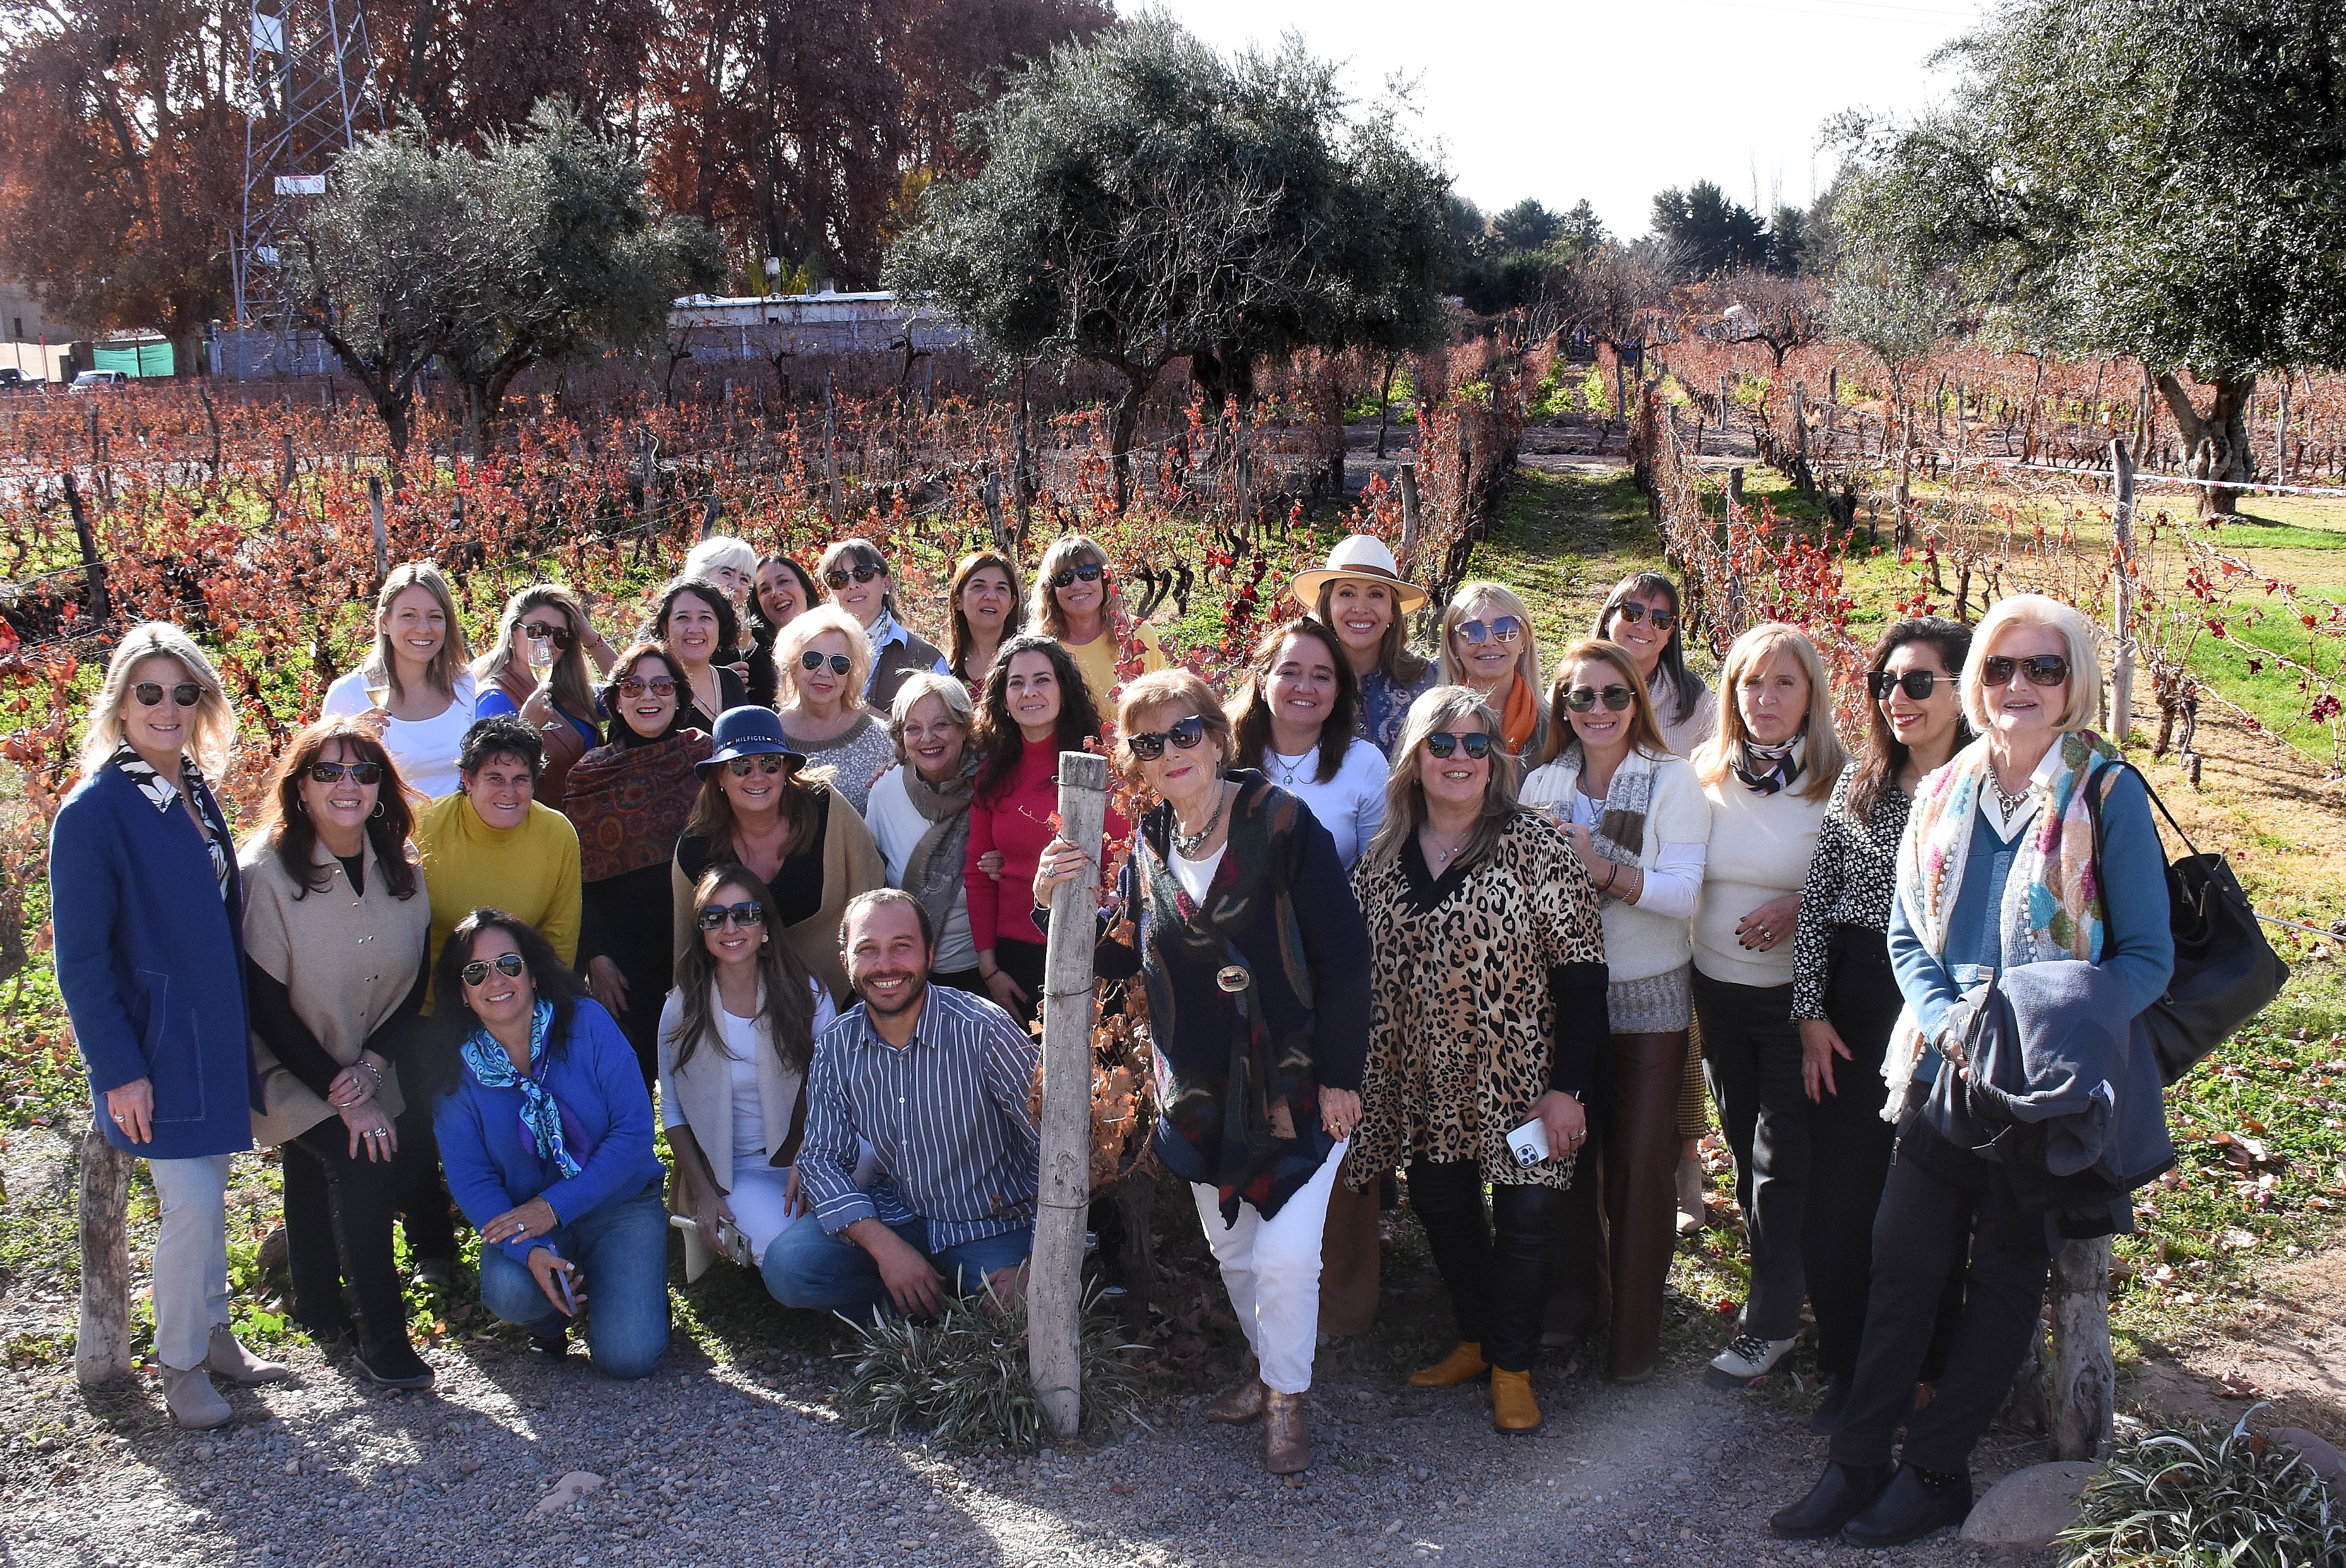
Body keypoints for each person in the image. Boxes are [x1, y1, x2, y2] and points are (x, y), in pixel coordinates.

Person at [1775, 595, 2174, 1547]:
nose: (2019, 686)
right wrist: (1950, 1017)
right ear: (1976, 683)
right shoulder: (1947, 789)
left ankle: (1938, 1469)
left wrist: (2053, 1032)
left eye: (2043, 668)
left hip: (2047, 1077)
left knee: (2003, 1274)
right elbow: (1910, 931)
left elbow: (2147, 961)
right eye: (2000, 667)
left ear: (2073, 680)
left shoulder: (2105, 793)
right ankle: (1858, 1458)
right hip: (1949, 1061)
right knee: (1902, 1262)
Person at [1037, 671, 1371, 1473]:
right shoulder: (1151, 844)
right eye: (1149, 743)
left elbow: (1346, 958)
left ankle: (1286, 1400)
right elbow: (1125, 954)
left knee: (1287, 1253)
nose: (1171, 752)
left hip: (1295, 1086)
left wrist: (1339, 1077)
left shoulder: (1283, 824)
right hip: (1196, 1089)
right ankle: (1269, 1374)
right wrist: (1058, 902)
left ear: (1218, 737)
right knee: (1233, 1253)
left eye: (1185, 733)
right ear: (1137, 763)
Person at [1346, 687, 1609, 1434]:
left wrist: (1568, 1089)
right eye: (1441, 744)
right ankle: (1474, 1339)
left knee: (1527, 1215)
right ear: (1415, 758)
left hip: (1521, 1080)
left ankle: (1513, 1366)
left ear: (1496, 759)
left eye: (1474, 745)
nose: (1458, 758)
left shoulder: (1536, 843)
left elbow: (1582, 975)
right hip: (1423, 1080)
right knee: (1443, 1209)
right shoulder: (1382, 858)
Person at [51, 624, 288, 1429]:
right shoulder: (92, 811)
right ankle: (181, 1365)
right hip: (153, 1045)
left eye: (183, 693)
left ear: (201, 704)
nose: (166, 706)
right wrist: (117, 1069)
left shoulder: (190, 787)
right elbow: (80, 962)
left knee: (212, 1193)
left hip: (215, 1033)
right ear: (120, 702)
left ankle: (216, 1334)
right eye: (148, 691)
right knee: (189, 1204)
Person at [1787, 617, 1972, 1434]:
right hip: (1858, 1006)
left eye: (1919, 682)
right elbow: (1819, 907)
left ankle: (1928, 1368)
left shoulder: (1988, 788)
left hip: (1950, 1007)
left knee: (1928, 1205)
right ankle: (1847, 1365)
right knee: (1839, 1202)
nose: (1899, 698)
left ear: (1964, 690)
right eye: (1885, 684)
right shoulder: (1861, 786)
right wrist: (1811, 1016)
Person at [1521, 639, 1711, 1383]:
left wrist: (1600, 867)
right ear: (1562, 710)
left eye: (1613, 695)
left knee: (1637, 1168)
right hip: (1558, 1003)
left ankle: (1633, 1338)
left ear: (1636, 700)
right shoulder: (1540, 784)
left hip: (1646, 997)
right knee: (1563, 1163)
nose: (1597, 710)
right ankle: (1573, 1311)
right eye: (1580, 698)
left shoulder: (1671, 782)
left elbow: (1682, 894)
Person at [241, 718, 434, 1388]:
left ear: (382, 788)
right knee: (362, 1158)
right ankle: (382, 1337)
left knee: (330, 1155)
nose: (347, 784)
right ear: (299, 788)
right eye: (328, 772)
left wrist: (372, 1069)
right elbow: (265, 1006)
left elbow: (413, 989)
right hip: (287, 1064)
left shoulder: (403, 868)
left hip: (366, 1056)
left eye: (364, 771)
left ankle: (319, 1304)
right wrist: (343, 1093)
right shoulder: (264, 874)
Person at [1689, 623, 1848, 1388]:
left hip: (1798, 1002)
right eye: (1751, 683)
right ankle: (1787, 1287)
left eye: (1783, 683)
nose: (1765, 699)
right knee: (1744, 1147)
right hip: (1717, 995)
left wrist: (1797, 901)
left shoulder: (1839, 780)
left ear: (1810, 693)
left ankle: (1773, 1325)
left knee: (1780, 1158)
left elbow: (1864, 884)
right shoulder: (1705, 775)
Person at [763, 890, 1041, 1319]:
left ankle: (930, 1310)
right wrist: (884, 1246)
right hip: (902, 1214)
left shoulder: (984, 1031)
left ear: (929, 954)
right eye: (867, 950)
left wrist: (1039, 1265)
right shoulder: (838, 1045)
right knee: (789, 1268)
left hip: (993, 1224)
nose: (886, 965)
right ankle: (923, 1301)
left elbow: (1056, 1145)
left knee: (1022, 1304)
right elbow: (820, 1160)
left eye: (901, 947)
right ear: (846, 962)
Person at [420, 910, 669, 1378]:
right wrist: (527, 1250)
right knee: (510, 1291)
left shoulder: (589, 1023)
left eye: (508, 964)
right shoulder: (454, 1074)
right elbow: (473, 1181)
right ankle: (554, 1318)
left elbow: (634, 1133)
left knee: (630, 1357)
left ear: (533, 973)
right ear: (463, 993)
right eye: (476, 972)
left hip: (620, 1207)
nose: (495, 979)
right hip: (530, 1223)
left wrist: (554, 1207)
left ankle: (624, 1287)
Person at [405, 715, 583, 1285]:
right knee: (424, 1120)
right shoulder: (427, 830)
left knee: (519, 1118)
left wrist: (528, 1012)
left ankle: (546, 1222)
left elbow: (558, 936)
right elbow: (404, 925)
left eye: (521, 778)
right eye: (494, 777)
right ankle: (432, 1246)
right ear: (465, 779)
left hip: (519, 1001)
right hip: (435, 1002)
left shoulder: (557, 834)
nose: (508, 791)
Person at [1593, 569, 1720, 1232]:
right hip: (1593, 891)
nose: (1643, 625)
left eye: (1659, 617)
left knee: (1679, 1042)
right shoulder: (1582, 680)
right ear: (1608, 614)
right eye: (1631, 610)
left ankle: (1686, 1172)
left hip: (1665, 882)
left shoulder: (1692, 703)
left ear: (1673, 632)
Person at [658, 865, 836, 1286]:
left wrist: (812, 1158)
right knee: (787, 1249)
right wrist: (704, 1194)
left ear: (766, 925)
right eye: (714, 917)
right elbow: (672, 1111)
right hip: (738, 1170)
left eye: (745, 913)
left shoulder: (807, 992)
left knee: (873, 1157)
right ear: (701, 930)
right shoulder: (681, 1009)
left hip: (814, 1151)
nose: (731, 926)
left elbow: (838, 1087)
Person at [566, 643, 712, 1091]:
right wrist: (597, 957)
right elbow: (577, 879)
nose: (648, 696)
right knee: (628, 1081)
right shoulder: (588, 775)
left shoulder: (705, 757)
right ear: (615, 700)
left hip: (701, 944)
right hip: (623, 957)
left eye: (662, 685)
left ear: (679, 696)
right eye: (633, 686)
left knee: (705, 1075)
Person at [671, 706, 885, 1007]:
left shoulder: (824, 808)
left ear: (786, 769)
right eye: (741, 765)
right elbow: (687, 949)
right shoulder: (694, 849)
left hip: (843, 992)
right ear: (719, 775)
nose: (758, 776)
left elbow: (873, 892)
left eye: (770, 763)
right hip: (738, 1007)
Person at [965, 635, 1124, 1030]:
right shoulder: (992, 775)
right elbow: (976, 878)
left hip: (1090, 951)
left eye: (1042, 680)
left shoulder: (1099, 767)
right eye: (1016, 683)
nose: (1029, 692)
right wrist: (989, 969)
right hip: (1014, 960)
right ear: (1002, 698)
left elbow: (1120, 863)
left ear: (1063, 691)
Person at [1225, 617, 1391, 869]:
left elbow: (1376, 876)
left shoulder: (1366, 764)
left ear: (1337, 691)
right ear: (1262, 683)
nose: (1304, 687)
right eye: (1289, 672)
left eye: (1321, 677)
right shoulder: (1224, 756)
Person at [863, 674, 984, 994]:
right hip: (908, 977)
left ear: (964, 727)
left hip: (985, 972)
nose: (927, 738)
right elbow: (873, 884)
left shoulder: (992, 785)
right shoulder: (885, 793)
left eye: (941, 725)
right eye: (913, 728)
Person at [320, 562, 477, 799]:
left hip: (459, 831)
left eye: (435, 617)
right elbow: (323, 782)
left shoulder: (464, 685)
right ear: (385, 622)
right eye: (408, 616)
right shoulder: (349, 694)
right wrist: (352, 742)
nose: (423, 629)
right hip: (388, 832)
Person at [1290, 535, 1436, 756]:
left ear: (1392, 612)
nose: (1360, 608)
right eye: (1347, 593)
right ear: (1328, 606)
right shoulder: (1298, 679)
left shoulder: (1428, 682)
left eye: (1376, 594)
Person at [470, 584, 605, 807]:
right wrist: (527, 729)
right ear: (513, 634)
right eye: (538, 631)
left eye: (561, 636)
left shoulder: (566, 691)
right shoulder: (494, 697)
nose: (550, 642)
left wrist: (590, 637)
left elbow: (629, 689)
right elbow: (490, 778)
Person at [773, 604, 895, 816]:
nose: (825, 672)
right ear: (793, 665)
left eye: (839, 664)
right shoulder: (771, 736)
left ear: (851, 674)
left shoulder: (881, 738)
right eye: (812, 660)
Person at [1028, 533, 1164, 710]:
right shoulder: (1037, 650)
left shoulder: (1139, 635)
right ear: (1051, 590)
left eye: (1088, 573)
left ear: (1105, 579)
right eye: (1064, 578)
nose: (1077, 585)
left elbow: (1165, 704)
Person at [818, 538, 950, 711]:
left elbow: (945, 729)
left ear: (886, 582)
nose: (852, 585)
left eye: (863, 574)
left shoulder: (925, 658)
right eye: (838, 579)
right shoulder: (813, 653)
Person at [1436, 581, 1547, 767]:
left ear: (1523, 640)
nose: (1489, 642)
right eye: (1472, 630)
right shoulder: (1433, 726)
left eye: (1505, 628)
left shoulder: (1554, 728)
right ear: (1453, 645)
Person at [647, 575, 748, 732]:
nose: (694, 629)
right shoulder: (652, 689)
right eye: (683, 618)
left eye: (705, 618)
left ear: (720, 626)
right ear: (666, 628)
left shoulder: (731, 681)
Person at [745, 554, 819, 710]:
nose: (776, 592)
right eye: (765, 589)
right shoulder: (753, 658)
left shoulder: (838, 639)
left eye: (783, 581)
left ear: (804, 587)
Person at [947, 549, 1024, 691]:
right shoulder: (944, 672)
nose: (991, 596)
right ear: (958, 601)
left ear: (1011, 603)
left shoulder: (1032, 661)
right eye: (979, 587)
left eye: (1001, 588)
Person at [682, 535, 758, 617]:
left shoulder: (745, 628)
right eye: (727, 574)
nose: (736, 586)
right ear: (701, 575)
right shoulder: (684, 626)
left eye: (744, 579)